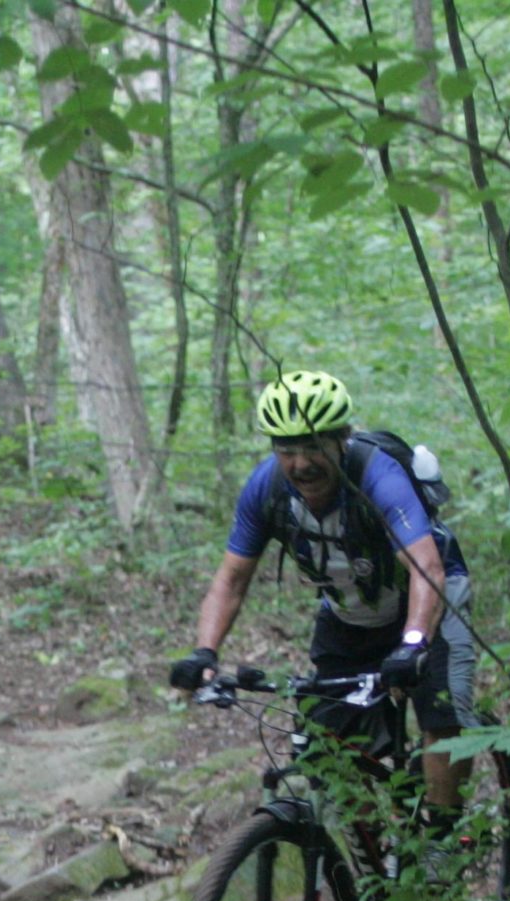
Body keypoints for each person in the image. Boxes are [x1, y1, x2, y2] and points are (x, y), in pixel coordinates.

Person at [170, 370, 479, 870]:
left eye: (313, 447)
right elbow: (231, 579)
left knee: (441, 716)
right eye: (286, 449)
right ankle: (376, 862)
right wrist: (204, 653)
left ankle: (445, 844)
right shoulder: (264, 490)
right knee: (327, 748)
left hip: (428, 599)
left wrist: (415, 642)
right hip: (348, 613)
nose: (300, 463)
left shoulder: (377, 477)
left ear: (342, 439)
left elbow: (427, 568)